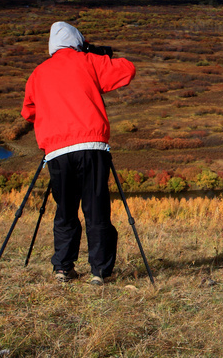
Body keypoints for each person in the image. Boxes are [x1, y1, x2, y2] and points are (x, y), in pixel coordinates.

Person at [21, 21, 136, 285]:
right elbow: (127, 70)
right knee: (95, 210)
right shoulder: (88, 61)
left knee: (65, 210)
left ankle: (63, 268)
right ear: (78, 41)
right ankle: (99, 272)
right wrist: (97, 55)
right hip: (91, 148)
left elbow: (28, 112)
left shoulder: (38, 73)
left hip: (57, 151)